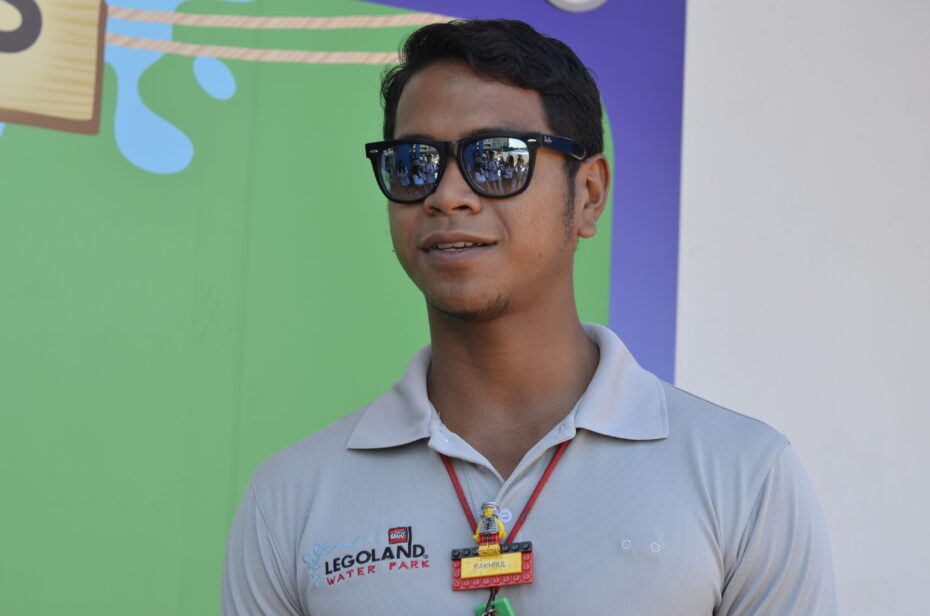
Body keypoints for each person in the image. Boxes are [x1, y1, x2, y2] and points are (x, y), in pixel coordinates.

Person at [222, 19, 837, 615]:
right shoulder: (291, 499)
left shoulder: (743, 477)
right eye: (414, 162)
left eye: (497, 160)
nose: (446, 195)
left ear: (588, 195)